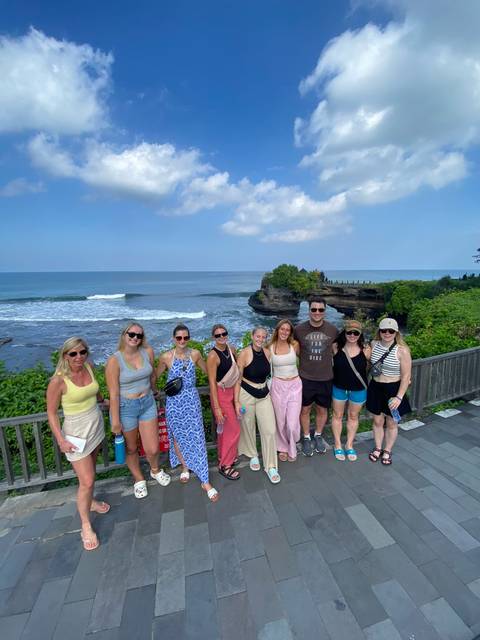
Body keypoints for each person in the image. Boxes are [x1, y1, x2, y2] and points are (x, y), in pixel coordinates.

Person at [46, 337, 109, 551]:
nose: (78, 357)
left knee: (90, 473)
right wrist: (61, 440)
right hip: (75, 433)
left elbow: (95, 389)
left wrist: (102, 400)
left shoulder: (89, 367)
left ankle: (90, 502)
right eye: (73, 353)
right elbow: (52, 413)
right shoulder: (58, 381)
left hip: (95, 425)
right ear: (65, 355)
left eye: (82, 352)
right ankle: (85, 525)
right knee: (87, 480)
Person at [106, 322, 171, 499]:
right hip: (126, 407)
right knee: (132, 448)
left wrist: (155, 389)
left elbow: (151, 375)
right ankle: (138, 478)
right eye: (132, 334)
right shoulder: (114, 360)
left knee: (153, 447)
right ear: (124, 335)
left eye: (139, 335)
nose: (135, 338)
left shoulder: (147, 352)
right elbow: (113, 394)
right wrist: (115, 420)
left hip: (148, 402)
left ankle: (155, 470)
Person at [157, 324, 219, 501]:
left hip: (191, 400)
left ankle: (205, 480)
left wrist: (221, 383)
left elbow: (209, 372)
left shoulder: (195, 354)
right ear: (173, 339)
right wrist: (152, 389)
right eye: (179, 338)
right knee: (177, 436)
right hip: (174, 402)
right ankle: (185, 467)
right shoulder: (166, 357)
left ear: (189, 338)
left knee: (196, 436)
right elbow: (154, 375)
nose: (182, 341)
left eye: (185, 338)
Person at [235, 326, 280, 484]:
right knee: (248, 426)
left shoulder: (268, 353)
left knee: (269, 429)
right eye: (258, 336)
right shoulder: (244, 354)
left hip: (264, 394)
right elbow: (238, 379)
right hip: (246, 393)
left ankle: (271, 466)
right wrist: (236, 401)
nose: (260, 339)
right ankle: (253, 454)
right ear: (252, 336)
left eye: (263, 337)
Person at [294, 298, 338, 456]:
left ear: (325, 311)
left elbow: (338, 351)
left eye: (320, 310)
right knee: (304, 409)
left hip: (326, 377)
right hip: (305, 377)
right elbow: (291, 348)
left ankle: (318, 435)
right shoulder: (299, 330)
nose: (317, 313)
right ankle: (306, 437)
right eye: (314, 309)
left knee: (322, 409)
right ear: (309, 311)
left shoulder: (333, 330)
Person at [366, 317, 412, 466]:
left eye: (391, 331)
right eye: (384, 330)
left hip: (393, 389)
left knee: (392, 423)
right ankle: (378, 447)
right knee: (377, 420)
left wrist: (399, 397)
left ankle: (387, 450)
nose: (387, 333)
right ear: (379, 331)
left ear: (396, 332)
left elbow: (406, 377)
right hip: (376, 387)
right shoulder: (373, 344)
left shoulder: (402, 350)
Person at [331, 319, 371, 461]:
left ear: (360, 335)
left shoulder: (366, 350)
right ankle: (337, 445)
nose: (352, 335)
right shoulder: (336, 347)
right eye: (349, 332)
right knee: (337, 415)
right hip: (339, 387)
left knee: (353, 416)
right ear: (345, 332)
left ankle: (349, 444)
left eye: (356, 333)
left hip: (358, 389)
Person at [207, 324, 240, 480]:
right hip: (221, 395)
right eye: (217, 335)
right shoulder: (212, 356)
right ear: (213, 338)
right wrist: (217, 408)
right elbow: (212, 383)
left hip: (232, 392)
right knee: (233, 430)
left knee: (224, 432)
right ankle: (225, 466)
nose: (221, 337)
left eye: (223, 334)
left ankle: (224, 458)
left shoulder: (231, 349)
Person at [268, 319, 301, 462]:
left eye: (287, 330)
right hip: (278, 386)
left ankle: (292, 446)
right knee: (280, 421)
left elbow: (305, 360)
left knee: (292, 423)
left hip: (295, 385)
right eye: (282, 329)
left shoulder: (294, 345)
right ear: (277, 330)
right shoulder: (270, 347)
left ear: (290, 332)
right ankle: (282, 447)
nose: (284, 332)